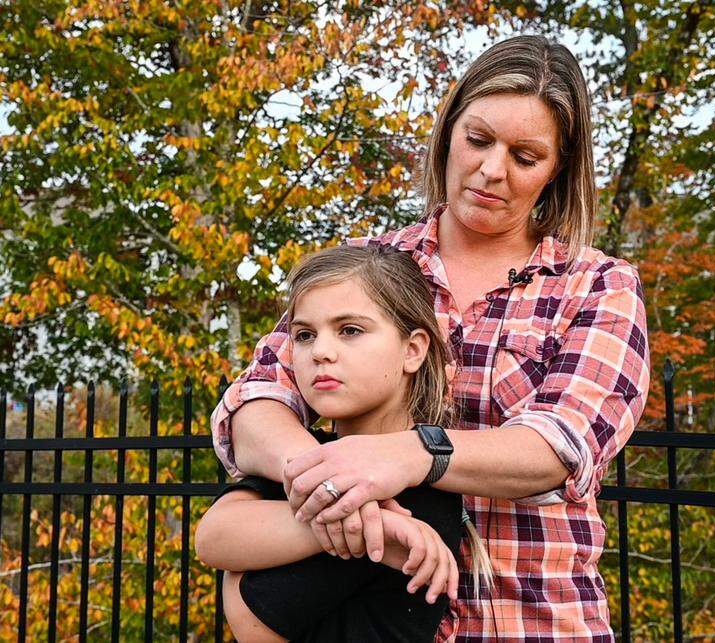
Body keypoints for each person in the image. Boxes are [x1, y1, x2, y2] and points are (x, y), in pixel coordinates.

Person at [211, 34, 650, 640]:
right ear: (448, 133)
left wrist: (409, 455)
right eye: (478, 139)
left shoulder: (597, 285)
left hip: (536, 622)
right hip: (369, 619)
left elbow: (560, 448)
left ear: (557, 170)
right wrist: (337, 490)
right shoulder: (369, 266)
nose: (492, 169)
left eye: (525, 156)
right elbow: (258, 399)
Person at [195, 245, 494, 642]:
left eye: (350, 330)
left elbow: (253, 613)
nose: (320, 351)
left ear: (412, 350)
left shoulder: (418, 492)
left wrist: (240, 573)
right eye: (304, 335)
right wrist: (366, 520)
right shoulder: (311, 451)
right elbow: (213, 538)